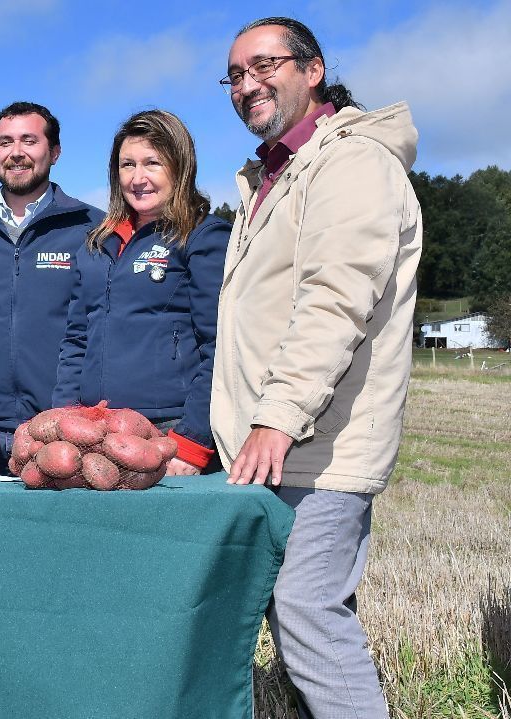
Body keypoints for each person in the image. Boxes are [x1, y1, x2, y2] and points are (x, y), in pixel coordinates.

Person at [213, 16, 421, 718]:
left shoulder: (352, 163)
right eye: (235, 75)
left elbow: (335, 301)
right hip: (277, 451)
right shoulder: (270, 176)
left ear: (313, 69)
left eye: (264, 65)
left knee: (305, 610)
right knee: (292, 609)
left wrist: (275, 416)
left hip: (321, 447)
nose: (247, 84)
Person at [54, 110, 228, 475]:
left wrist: (193, 441)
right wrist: (66, 419)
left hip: (167, 432)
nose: (138, 178)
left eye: (152, 163)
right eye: (127, 165)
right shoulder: (98, 243)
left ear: (179, 166)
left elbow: (222, 346)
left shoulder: (201, 236)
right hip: (96, 430)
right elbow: (75, 339)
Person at [0, 102, 103, 475]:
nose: (16, 153)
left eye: (29, 141)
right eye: (5, 142)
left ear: (55, 151)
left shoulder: (90, 228)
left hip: (62, 428)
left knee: (55, 534)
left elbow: (101, 320)